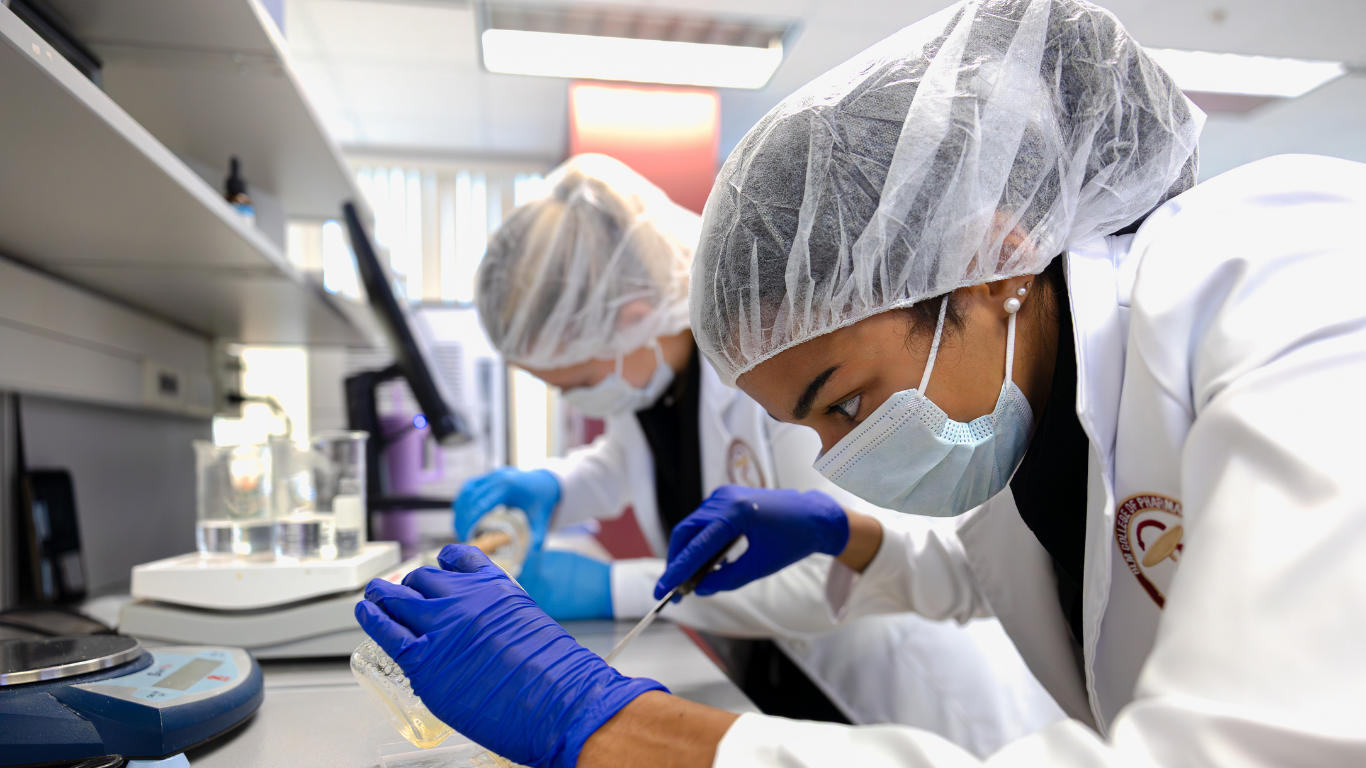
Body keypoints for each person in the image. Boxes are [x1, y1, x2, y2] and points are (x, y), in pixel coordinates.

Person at [356, 0, 1366, 765]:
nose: (840, 455)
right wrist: (854, 536)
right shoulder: (1030, 383)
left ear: (989, 260)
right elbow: (1019, 570)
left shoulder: (1294, 289)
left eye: (841, 401)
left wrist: (617, 727)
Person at [454, 153, 1063, 752]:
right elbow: (626, 464)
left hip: (911, 695)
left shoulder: (780, 363)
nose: (581, 401)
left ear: (629, 321)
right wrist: (552, 488)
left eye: (578, 384)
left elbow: (823, 582)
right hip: (783, 683)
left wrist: (619, 587)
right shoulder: (651, 383)